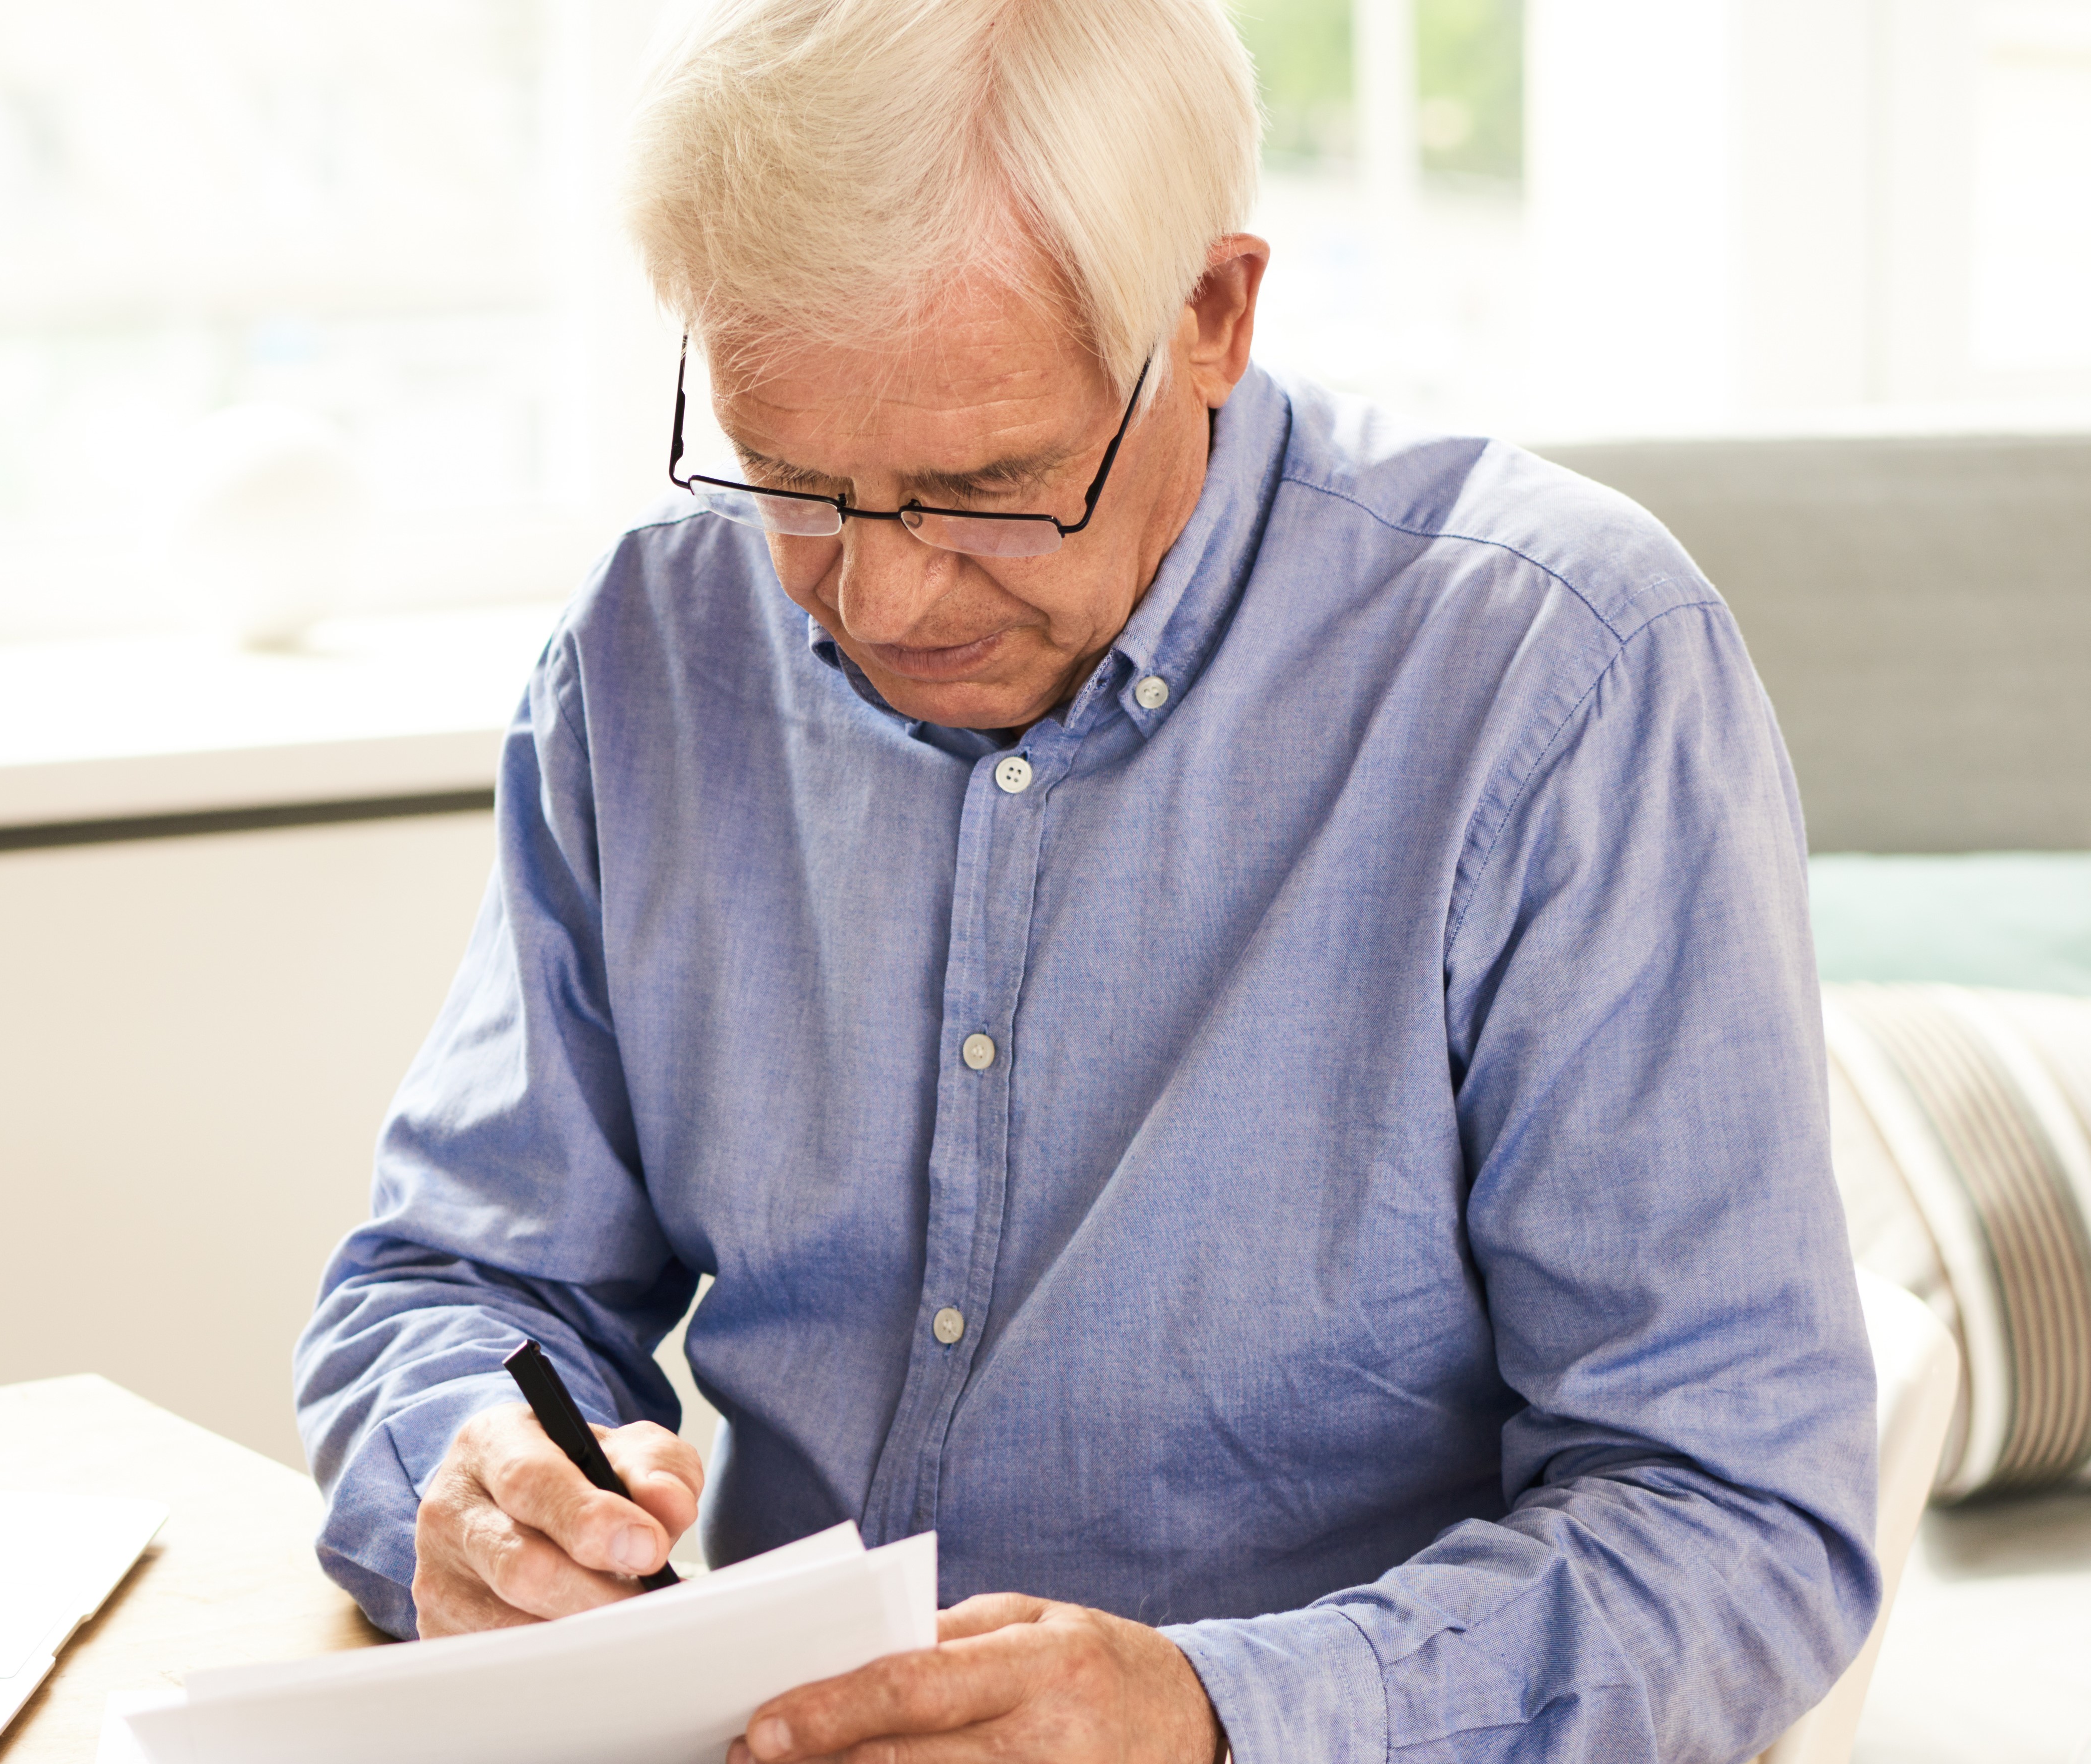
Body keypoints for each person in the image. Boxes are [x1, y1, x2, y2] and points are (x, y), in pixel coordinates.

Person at [291, 1, 1881, 1758]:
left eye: (987, 488)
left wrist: (1215, 1714)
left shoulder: (1561, 674)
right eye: (797, 481)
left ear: (1209, 316)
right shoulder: (655, 647)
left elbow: (1739, 1524)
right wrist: (481, 1480)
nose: (882, 605)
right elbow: (455, 1284)